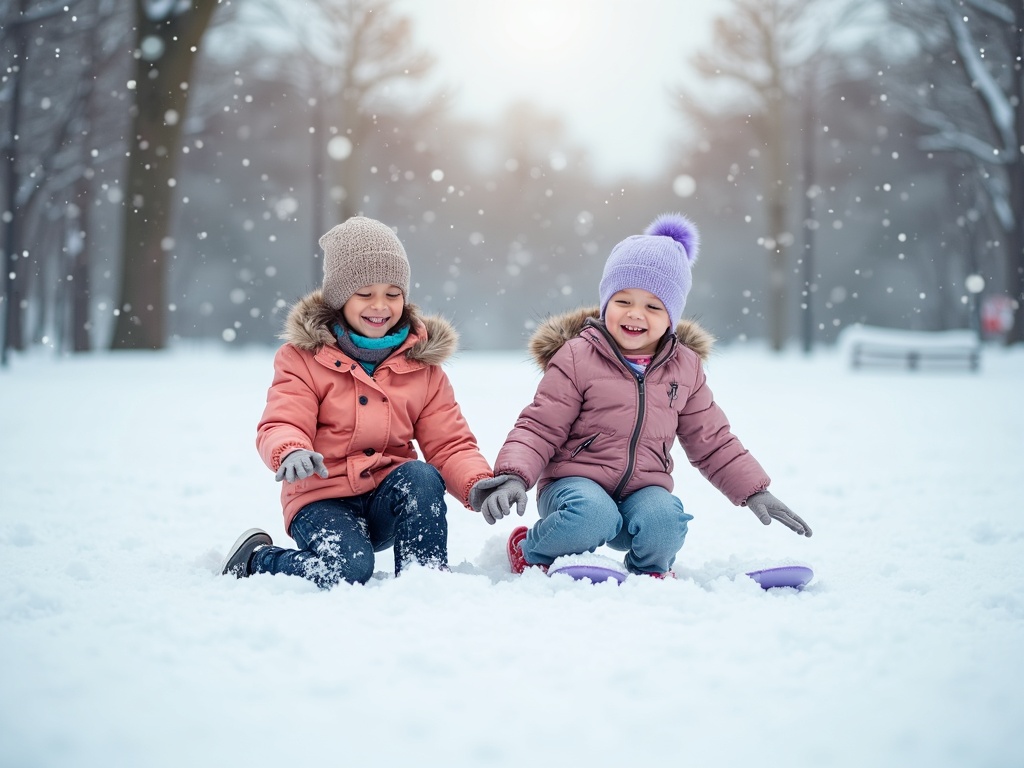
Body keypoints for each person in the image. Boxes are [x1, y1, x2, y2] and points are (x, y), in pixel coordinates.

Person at [469, 212, 812, 578]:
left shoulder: (685, 368)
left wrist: (754, 490)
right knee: (591, 516)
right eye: (623, 301)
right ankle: (530, 550)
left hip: (642, 489)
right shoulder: (577, 357)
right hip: (574, 487)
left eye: (653, 306)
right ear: (605, 304)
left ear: (671, 316)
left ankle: (649, 572)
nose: (636, 314)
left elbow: (712, 441)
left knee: (666, 521)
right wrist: (514, 476)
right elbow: (540, 426)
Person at [222, 216, 494, 587]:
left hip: (385, 499)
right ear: (339, 298)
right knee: (349, 568)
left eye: (393, 294)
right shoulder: (303, 358)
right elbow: (283, 419)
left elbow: (449, 443)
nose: (380, 306)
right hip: (320, 499)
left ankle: (425, 578)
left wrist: (476, 482)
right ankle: (258, 561)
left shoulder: (422, 368)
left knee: (421, 475)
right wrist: (291, 450)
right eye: (364, 294)